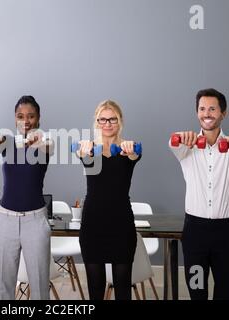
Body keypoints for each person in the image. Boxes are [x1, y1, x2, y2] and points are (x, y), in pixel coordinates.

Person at [169, 88, 229, 300]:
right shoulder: (185, 148)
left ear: (223, 113)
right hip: (194, 234)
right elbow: (171, 142)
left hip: (226, 234)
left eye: (212, 109)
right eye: (202, 109)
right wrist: (182, 136)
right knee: (197, 292)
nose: (206, 113)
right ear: (197, 112)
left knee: (225, 293)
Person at [0, 95, 53, 300]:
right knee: (3, 286)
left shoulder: (46, 141)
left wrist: (35, 140)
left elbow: (47, 147)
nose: (26, 121)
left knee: (40, 286)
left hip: (35, 221)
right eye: (20, 116)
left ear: (39, 118)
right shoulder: (8, 142)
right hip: (5, 219)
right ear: (15, 119)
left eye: (31, 116)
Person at [77, 100, 141, 300]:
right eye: (102, 119)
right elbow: (82, 154)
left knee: (123, 290)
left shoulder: (128, 149)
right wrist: (85, 148)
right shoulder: (87, 150)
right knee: (95, 290)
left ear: (120, 121)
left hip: (121, 226)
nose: (107, 123)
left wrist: (131, 149)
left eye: (112, 119)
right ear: (96, 122)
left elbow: (134, 156)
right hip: (93, 226)